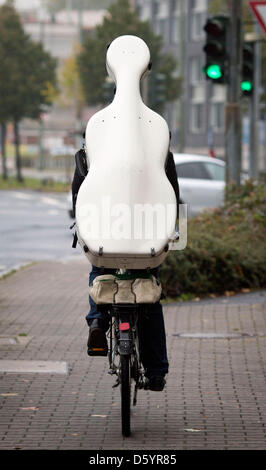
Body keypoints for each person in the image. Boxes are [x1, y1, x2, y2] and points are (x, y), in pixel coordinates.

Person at [71, 135, 179, 392]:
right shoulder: (158, 155)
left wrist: (82, 226)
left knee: (100, 272)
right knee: (150, 295)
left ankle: (97, 321)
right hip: (145, 235)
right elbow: (173, 194)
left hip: (106, 232)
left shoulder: (92, 153)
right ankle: (155, 372)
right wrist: (177, 234)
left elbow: (79, 192)